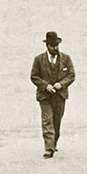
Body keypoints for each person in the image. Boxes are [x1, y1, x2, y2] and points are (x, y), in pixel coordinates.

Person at [30, 31, 75, 159]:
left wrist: (61, 84)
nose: (55, 48)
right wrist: (46, 85)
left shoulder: (66, 58)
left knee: (57, 120)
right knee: (47, 120)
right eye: (52, 46)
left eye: (56, 46)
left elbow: (71, 75)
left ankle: (54, 142)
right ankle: (49, 148)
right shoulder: (38, 59)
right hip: (45, 96)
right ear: (47, 46)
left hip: (60, 96)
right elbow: (34, 76)